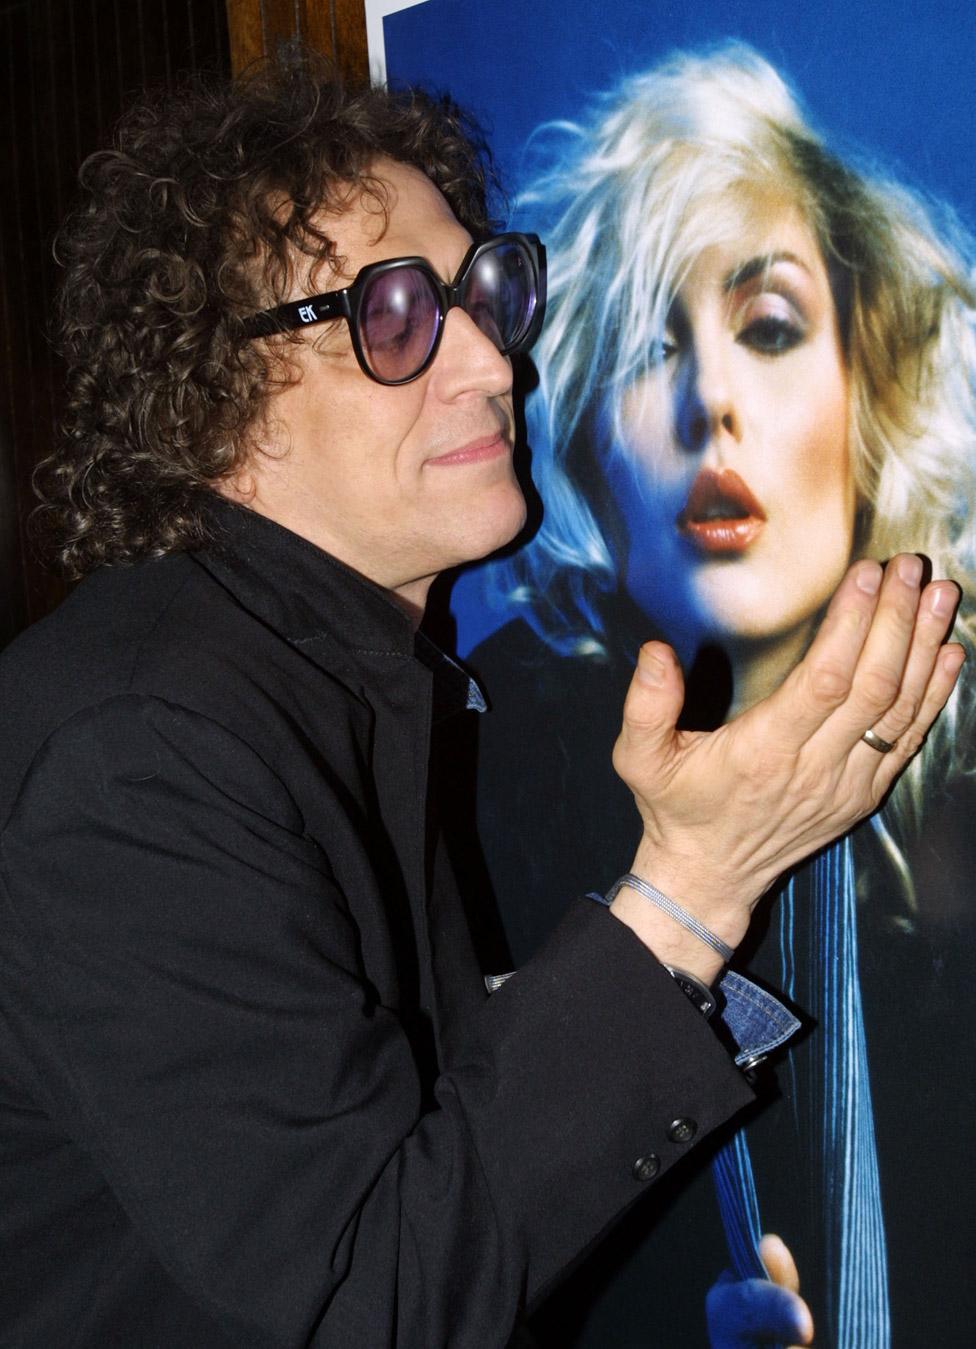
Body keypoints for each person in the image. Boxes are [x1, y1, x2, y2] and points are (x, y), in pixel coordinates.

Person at [0, 52, 961, 1349]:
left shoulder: (352, 680)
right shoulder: (144, 747)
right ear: (210, 391)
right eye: (394, 315)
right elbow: (372, 1304)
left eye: (489, 293)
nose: (495, 364)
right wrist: (690, 888)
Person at [467, 43, 976, 1348]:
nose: (711, 402)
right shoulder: (478, 787)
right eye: (650, 348)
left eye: (766, 326)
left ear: (870, 381)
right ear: (582, 430)